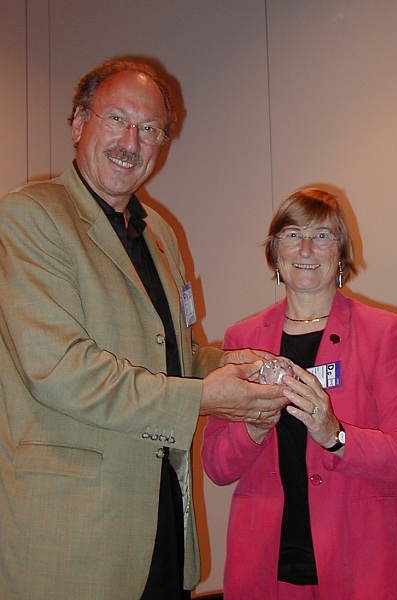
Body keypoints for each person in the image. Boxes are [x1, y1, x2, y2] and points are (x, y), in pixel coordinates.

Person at [0, 57, 287, 600]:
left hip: (161, 522)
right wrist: (204, 398)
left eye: (150, 129)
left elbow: (175, 352)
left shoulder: (161, 236)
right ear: (78, 123)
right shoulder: (31, 217)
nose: (130, 142)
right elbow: (59, 370)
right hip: (74, 533)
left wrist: (235, 366)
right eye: (116, 119)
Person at [202, 187, 397, 599]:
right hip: (268, 565)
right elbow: (216, 466)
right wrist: (253, 429)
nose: (306, 248)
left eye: (322, 235)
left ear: (340, 252)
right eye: (292, 234)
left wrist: (336, 436)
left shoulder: (382, 333)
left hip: (362, 562)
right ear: (275, 252)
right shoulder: (243, 340)